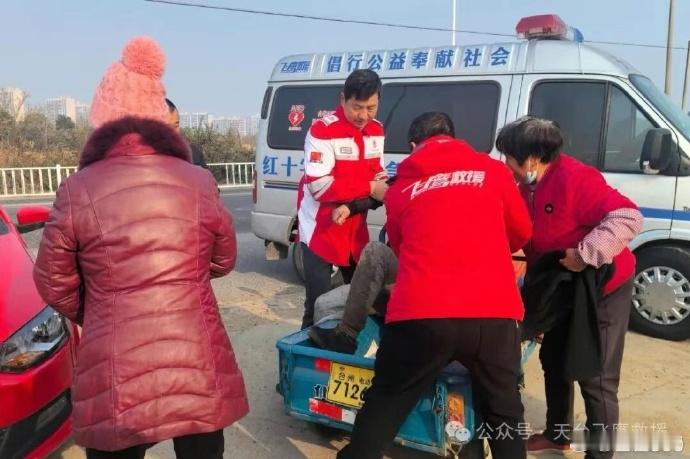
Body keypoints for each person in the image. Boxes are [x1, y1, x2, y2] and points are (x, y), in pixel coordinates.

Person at [32, 37, 248, 459]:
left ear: (102, 121)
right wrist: (183, 282)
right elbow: (223, 260)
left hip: (116, 362)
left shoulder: (78, 188)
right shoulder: (198, 180)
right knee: (201, 445)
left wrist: (100, 309)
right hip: (193, 353)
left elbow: (52, 281)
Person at [337, 112, 533, 459]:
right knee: (504, 411)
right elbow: (521, 234)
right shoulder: (494, 172)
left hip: (421, 313)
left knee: (385, 403)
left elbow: (400, 247)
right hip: (493, 312)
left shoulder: (401, 190)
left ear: (414, 146)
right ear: (454, 137)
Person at [495, 116, 643, 458]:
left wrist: (586, 253)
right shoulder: (528, 185)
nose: (508, 165)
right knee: (555, 360)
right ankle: (557, 434)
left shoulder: (576, 178)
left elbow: (628, 216)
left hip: (600, 289)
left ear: (533, 158)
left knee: (596, 377)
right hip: (560, 286)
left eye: (511, 158)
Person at [297, 68, 388, 329]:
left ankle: (351, 347)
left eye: (371, 108)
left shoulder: (377, 130)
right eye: (357, 107)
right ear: (342, 99)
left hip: (354, 227)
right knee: (317, 303)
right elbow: (320, 187)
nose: (363, 115)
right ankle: (304, 349)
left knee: (361, 299)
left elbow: (379, 175)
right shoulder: (322, 131)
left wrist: (376, 187)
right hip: (320, 229)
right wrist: (370, 187)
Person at [166, 97, 208, 168]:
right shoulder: (147, 162)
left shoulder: (194, 155)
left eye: (176, 125)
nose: (174, 132)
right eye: (168, 127)